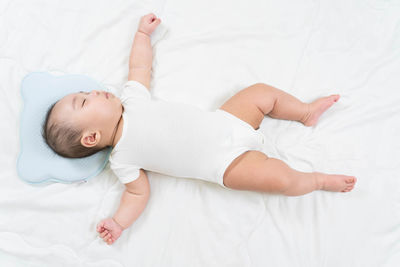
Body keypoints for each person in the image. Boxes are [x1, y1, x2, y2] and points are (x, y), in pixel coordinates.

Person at [42, 13, 357, 245]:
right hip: (227, 165)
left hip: (228, 120)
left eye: (84, 93)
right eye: (84, 102)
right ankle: (317, 180)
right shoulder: (121, 161)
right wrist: (119, 222)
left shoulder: (131, 100)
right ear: (92, 137)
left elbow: (139, 68)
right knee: (282, 179)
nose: (92, 92)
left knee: (261, 92)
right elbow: (137, 194)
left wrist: (141, 36)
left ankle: (305, 112)